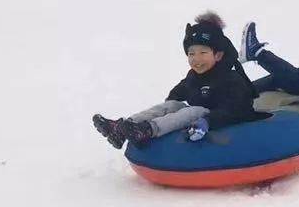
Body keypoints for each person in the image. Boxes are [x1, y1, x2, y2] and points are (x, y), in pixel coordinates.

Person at [92, 12, 258, 149]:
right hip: (204, 116)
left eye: (203, 53)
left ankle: (148, 130)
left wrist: (208, 120)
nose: (196, 59)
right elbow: (181, 90)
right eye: (191, 54)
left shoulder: (231, 79)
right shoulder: (194, 76)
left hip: (224, 120)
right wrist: (169, 107)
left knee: (194, 111)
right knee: (173, 105)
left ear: (218, 55)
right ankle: (123, 127)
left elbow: (236, 108)